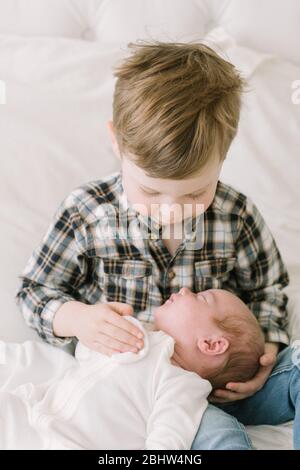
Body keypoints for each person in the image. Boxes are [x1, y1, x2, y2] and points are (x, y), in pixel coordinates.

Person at [15, 41, 298, 450]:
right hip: (140, 393)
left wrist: (266, 349)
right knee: (217, 436)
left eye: (193, 193)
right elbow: (34, 292)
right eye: (150, 190)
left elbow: (268, 289)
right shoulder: (87, 212)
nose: (170, 210)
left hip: (224, 384)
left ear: (225, 153)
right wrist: (77, 319)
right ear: (117, 142)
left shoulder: (236, 214)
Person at [1, 288, 263, 450]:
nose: (185, 290)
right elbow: (85, 355)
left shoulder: (182, 384)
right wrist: (99, 328)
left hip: (77, 442)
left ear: (211, 344)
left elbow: (169, 437)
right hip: (32, 411)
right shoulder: (137, 331)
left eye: (201, 297)